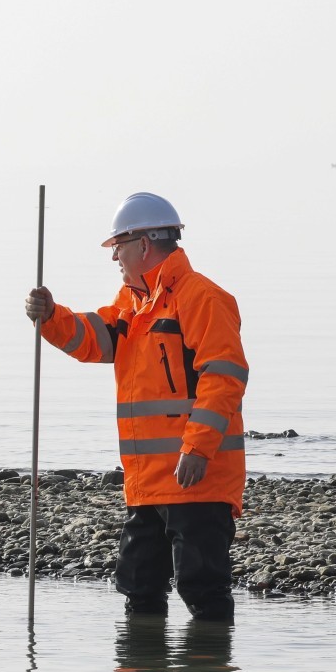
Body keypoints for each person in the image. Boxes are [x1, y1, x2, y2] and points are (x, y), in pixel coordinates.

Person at [24, 192, 247, 620]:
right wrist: (51, 315)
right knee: (139, 587)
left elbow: (224, 379)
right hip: (147, 483)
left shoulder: (201, 297)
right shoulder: (134, 303)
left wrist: (197, 449)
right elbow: (93, 339)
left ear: (144, 244)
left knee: (203, 589)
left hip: (196, 478)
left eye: (118, 246)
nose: (115, 258)